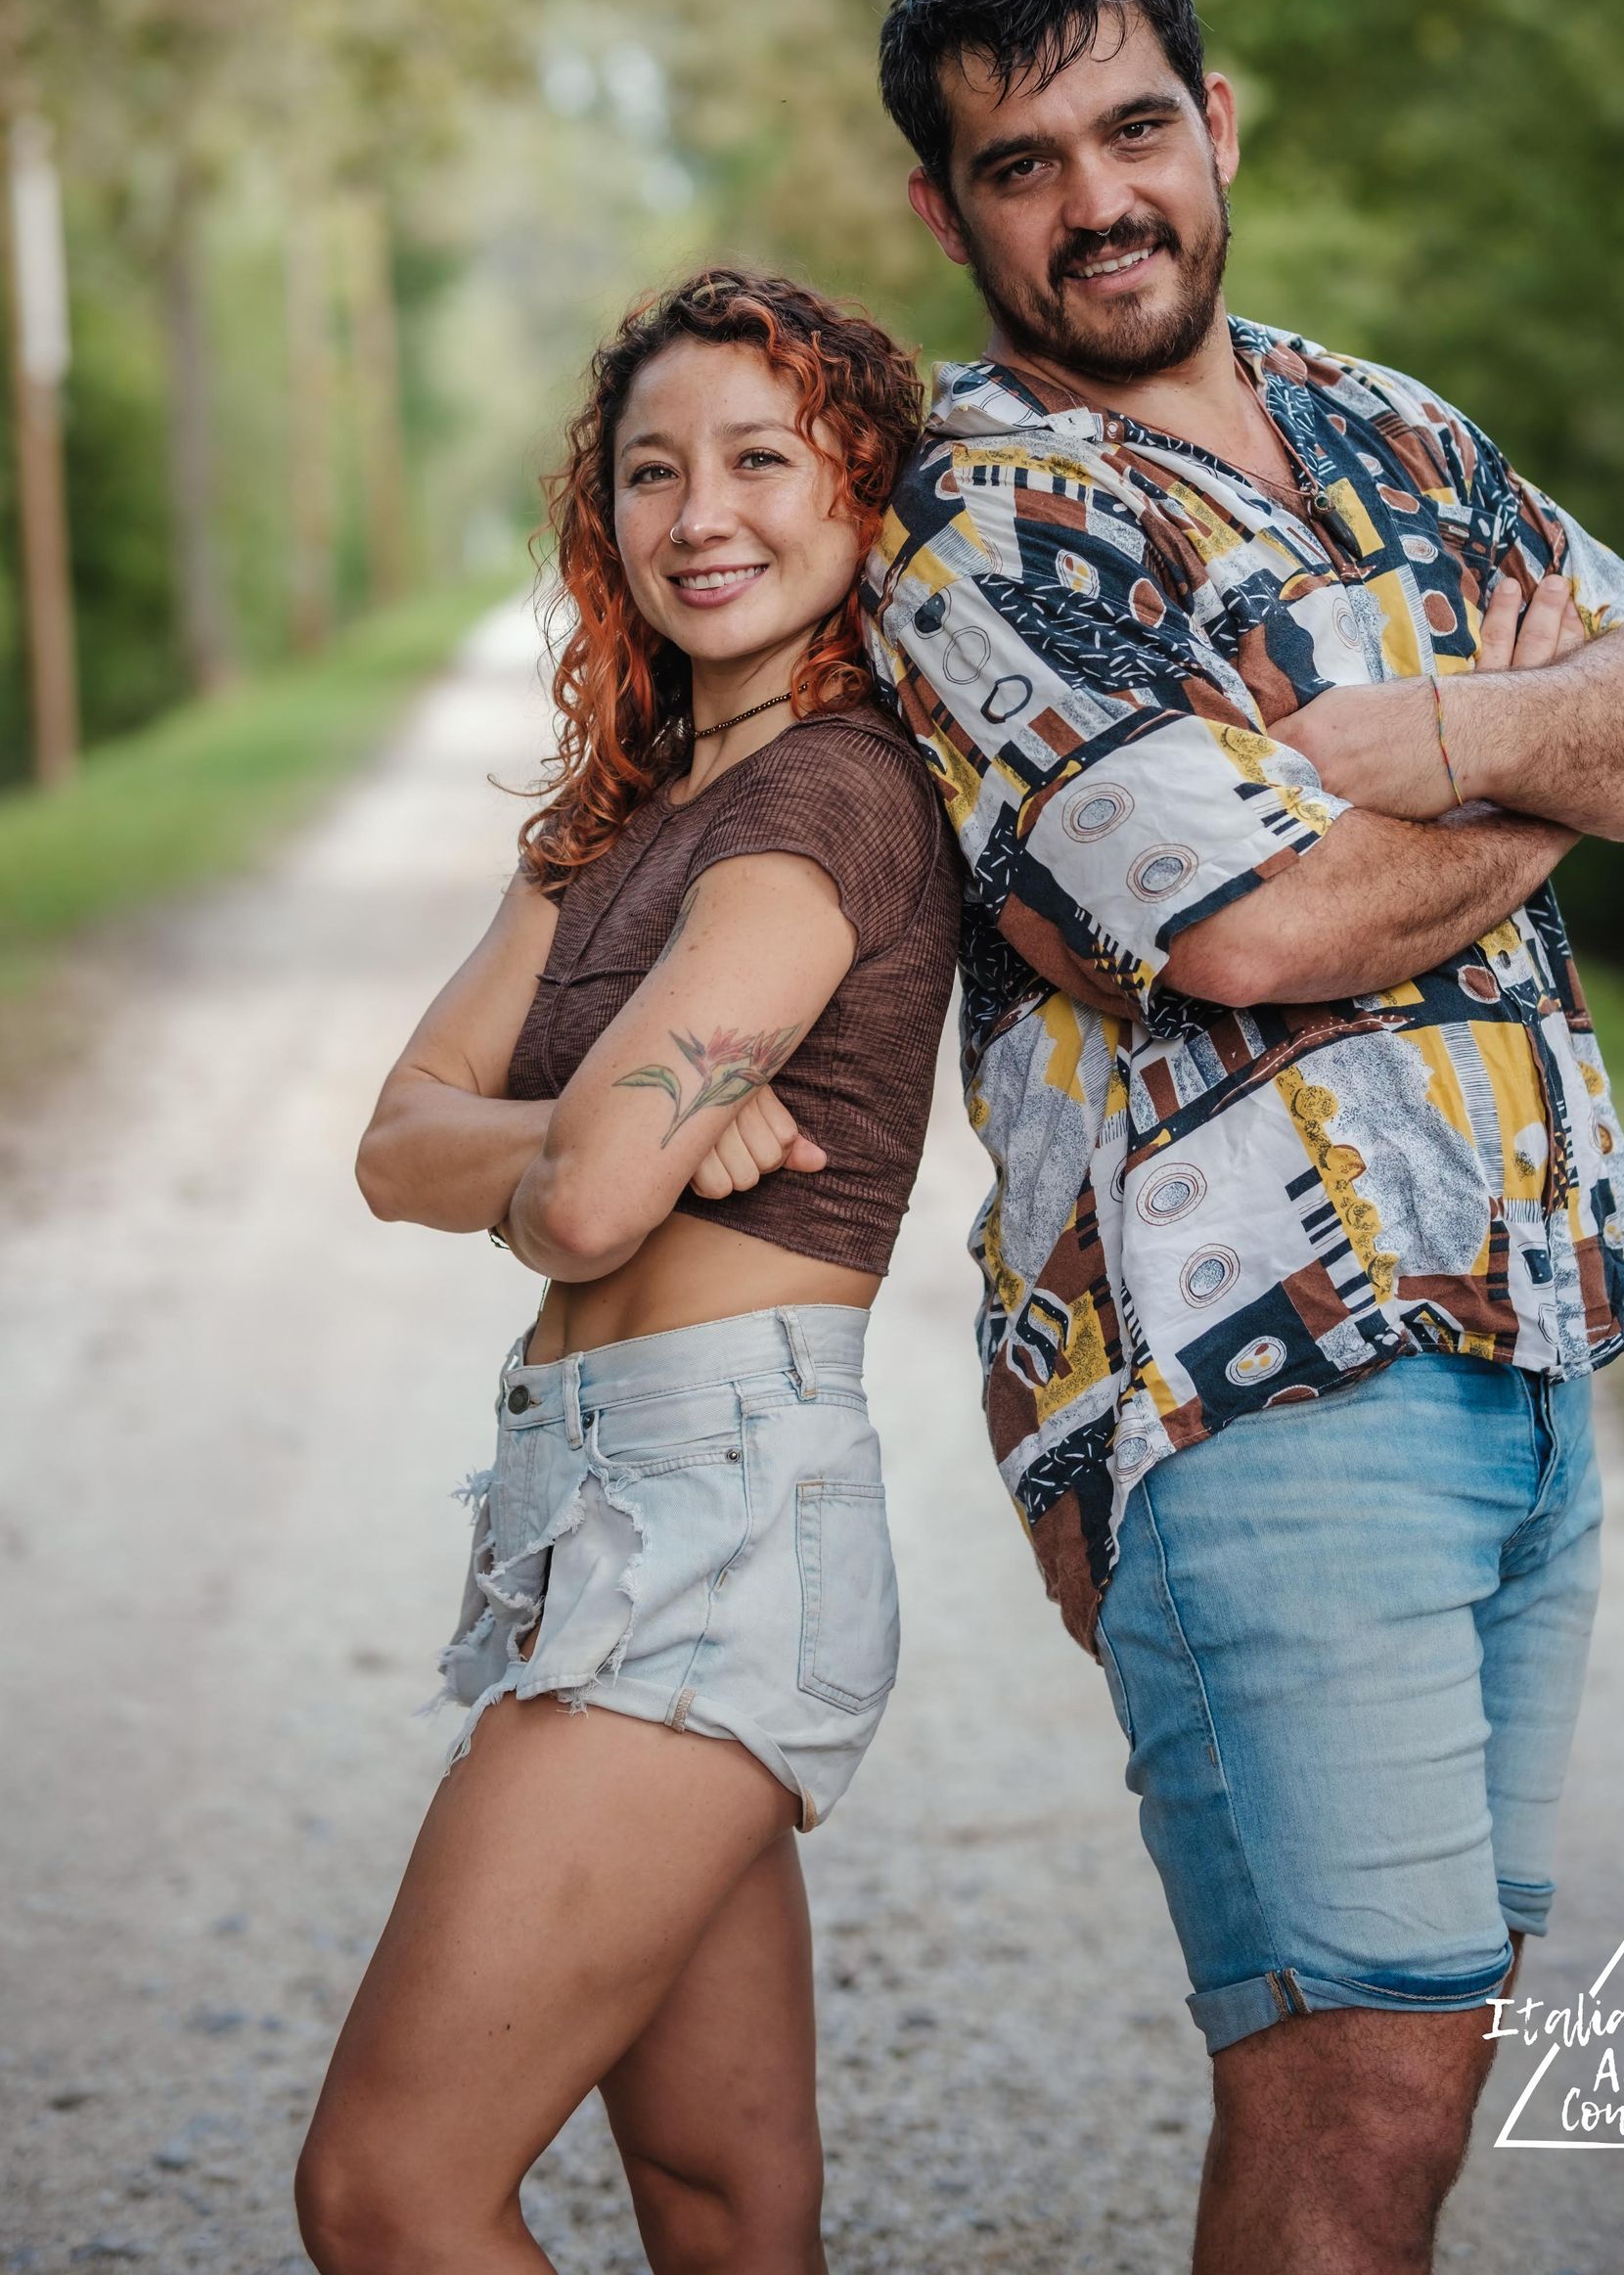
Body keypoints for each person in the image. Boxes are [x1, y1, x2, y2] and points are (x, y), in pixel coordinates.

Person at [864, 0, 1624, 2275]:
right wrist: (1569, 767)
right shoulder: (985, 516)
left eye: (1135, 127)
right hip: (1253, 1389)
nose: (1100, 198)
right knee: (1358, 2091)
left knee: (1414, 2073)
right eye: (1022, 164)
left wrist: (1445, 742)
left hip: (1526, 1336)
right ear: (946, 217)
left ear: (1218, 123)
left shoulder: (1390, 423)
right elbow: (1254, 934)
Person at [295, 268, 960, 2275]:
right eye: (655, 470)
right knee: (717, 2203)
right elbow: (395, 1141)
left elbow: (579, 1214)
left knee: (390, 2191)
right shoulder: (615, 818)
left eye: (765, 459)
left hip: (718, 1517)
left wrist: (579, 1163)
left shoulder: (829, 800)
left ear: (860, 503)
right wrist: (583, 1142)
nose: (703, 515)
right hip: (588, 1507)